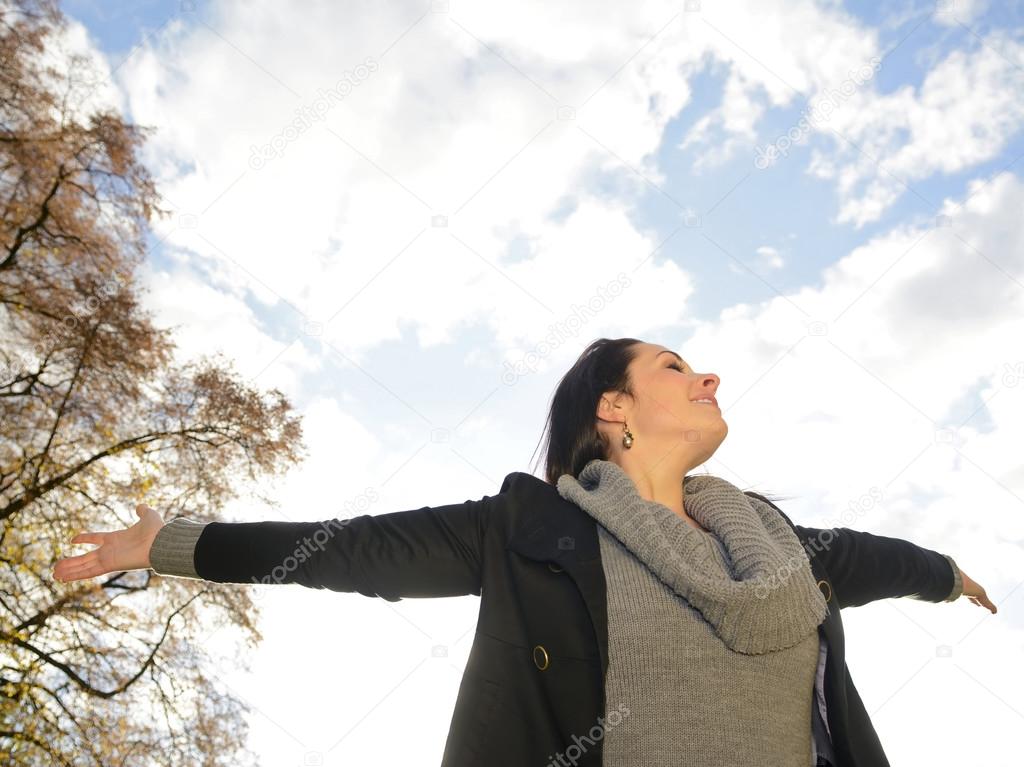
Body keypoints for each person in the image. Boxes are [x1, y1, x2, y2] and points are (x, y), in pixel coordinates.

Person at [54, 337, 997, 767]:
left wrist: (946, 575)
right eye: (674, 365)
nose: (707, 372)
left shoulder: (778, 544)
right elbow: (356, 551)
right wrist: (173, 543)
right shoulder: (531, 529)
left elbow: (873, 559)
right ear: (613, 409)